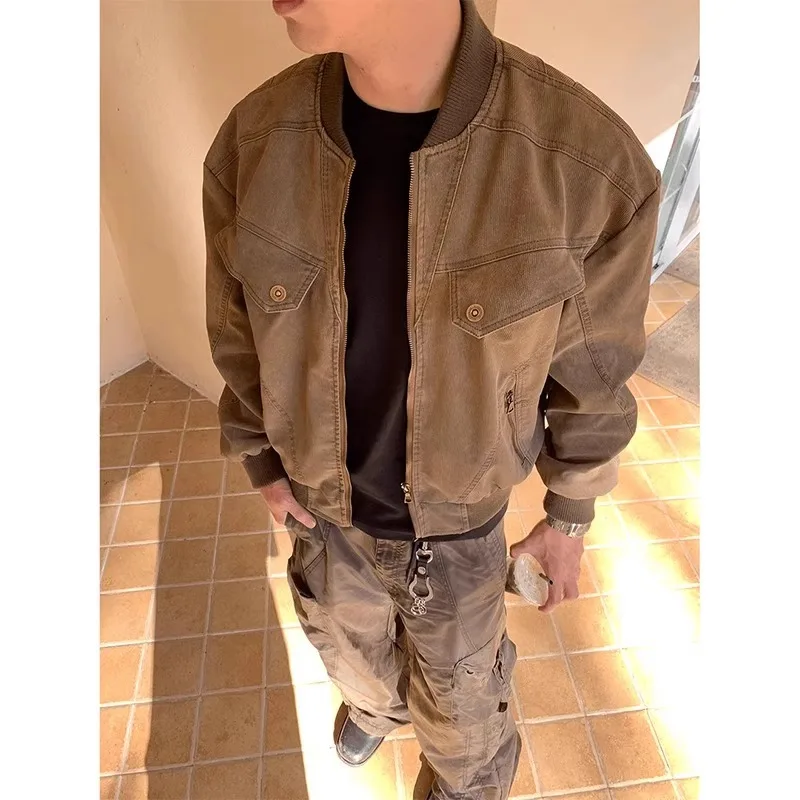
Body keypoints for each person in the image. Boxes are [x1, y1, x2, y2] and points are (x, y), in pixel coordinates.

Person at [203, 1, 660, 797]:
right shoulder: (253, 142)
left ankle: (460, 777)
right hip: (320, 513)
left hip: (457, 536)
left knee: (465, 710)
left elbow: (594, 374)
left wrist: (569, 517)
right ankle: (378, 710)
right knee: (347, 651)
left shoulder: (588, 165)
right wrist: (261, 460)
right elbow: (238, 329)